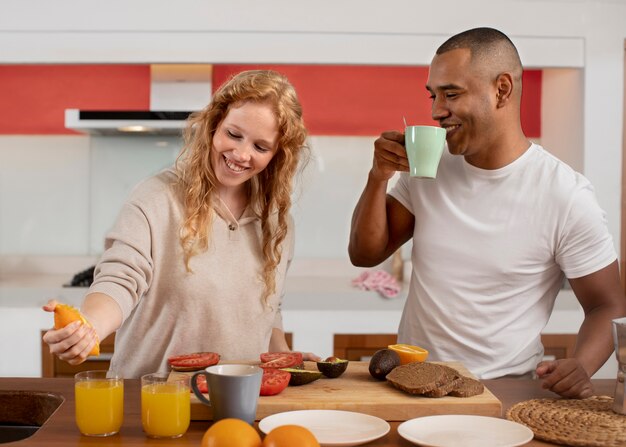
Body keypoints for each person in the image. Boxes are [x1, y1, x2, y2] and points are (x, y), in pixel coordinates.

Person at [349, 27, 626, 398]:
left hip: (503, 391)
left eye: (451, 94)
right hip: (411, 382)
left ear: (502, 90)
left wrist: (582, 365)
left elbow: (607, 303)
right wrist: (377, 177)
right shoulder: (429, 168)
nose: (436, 111)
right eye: (433, 95)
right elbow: (365, 254)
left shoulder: (566, 194)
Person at [43, 69, 318, 378]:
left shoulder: (278, 224)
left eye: (260, 147)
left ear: (276, 156)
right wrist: (89, 327)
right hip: (150, 401)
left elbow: (267, 314)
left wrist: (284, 358)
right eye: (234, 134)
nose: (241, 153)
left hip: (236, 403)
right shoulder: (156, 198)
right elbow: (119, 280)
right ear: (214, 126)